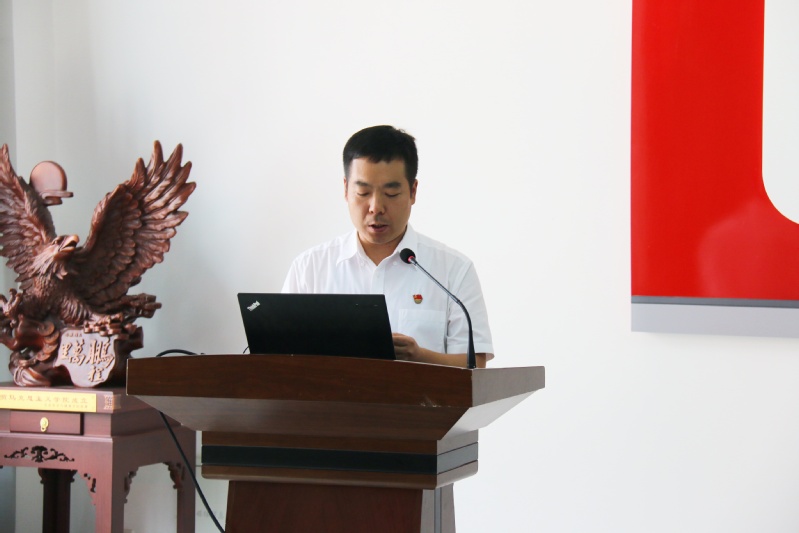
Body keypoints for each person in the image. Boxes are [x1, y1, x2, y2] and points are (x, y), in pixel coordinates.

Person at [282, 125, 493, 368]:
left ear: (412, 192)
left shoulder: (453, 270)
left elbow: (475, 365)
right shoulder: (309, 268)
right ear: (346, 190)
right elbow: (280, 356)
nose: (376, 207)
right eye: (363, 192)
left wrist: (419, 356)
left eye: (391, 194)